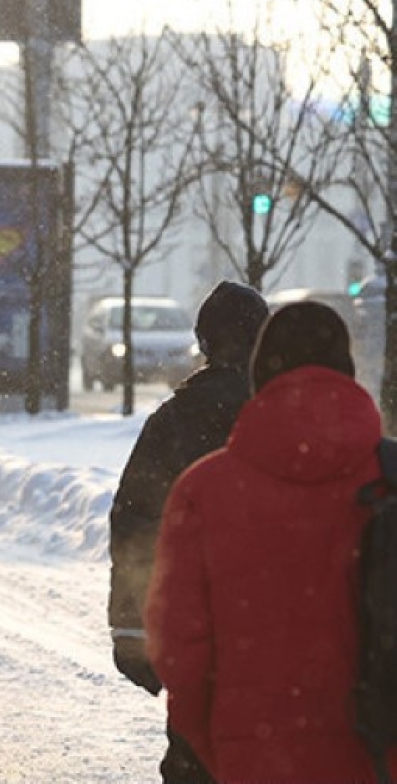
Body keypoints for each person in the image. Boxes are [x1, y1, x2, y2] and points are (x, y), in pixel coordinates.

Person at [146, 301, 397, 782]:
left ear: (260, 376)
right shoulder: (388, 479)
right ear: (346, 373)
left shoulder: (203, 491)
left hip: (251, 755)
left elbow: (182, 650)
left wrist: (221, 750)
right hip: (377, 753)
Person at [108, 280, 268, 784]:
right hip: (279, 634)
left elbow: (137, 522)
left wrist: (132, 629)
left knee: (194, 754)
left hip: (197, 633)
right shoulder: (280, 416)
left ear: (204, 343)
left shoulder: (174, 421)